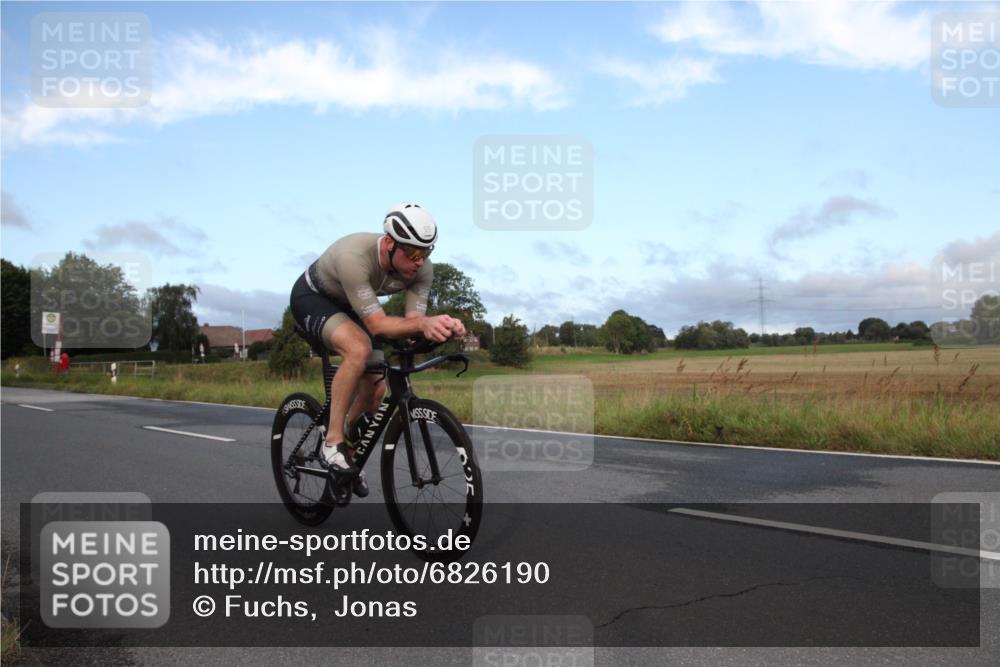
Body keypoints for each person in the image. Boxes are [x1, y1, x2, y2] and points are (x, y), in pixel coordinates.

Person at [289, 203, 465, 498]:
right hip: (314, 297)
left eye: (426, 253)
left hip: (352, 304)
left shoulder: (422, 270)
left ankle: (348, 455)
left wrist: (442, 328)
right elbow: (379, 325)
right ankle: (332, 442)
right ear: (389, 243)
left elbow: (412, 323)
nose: (419, 261)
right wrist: (423, 324)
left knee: (376, 389)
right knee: (358, 348)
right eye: (412, 252)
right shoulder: (354, 258)